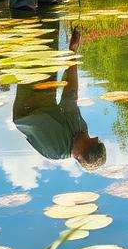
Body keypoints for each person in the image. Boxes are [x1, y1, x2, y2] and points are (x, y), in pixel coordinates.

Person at [12, 21, 105, 170]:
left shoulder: (55, 149)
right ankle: (47, 13)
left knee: (31, 55)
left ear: (78, 155)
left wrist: (42, 73)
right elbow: (70, 95)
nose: (87, 135)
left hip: (27, 111)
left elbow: (35, 119)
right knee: (49, 42)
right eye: (91, 138)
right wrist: (72, 51)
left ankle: (22, 15)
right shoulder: (81, 130)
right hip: (47, 105)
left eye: (87, 141)